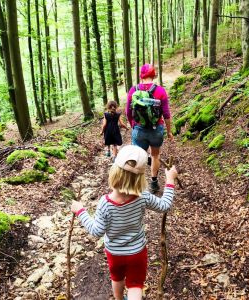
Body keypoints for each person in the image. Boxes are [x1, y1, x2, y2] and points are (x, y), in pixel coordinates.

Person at [71, 145, 178, 300]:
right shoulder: (143, 196)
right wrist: (169, 180)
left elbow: (97, 231)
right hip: (137, 252)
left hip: (114, 253)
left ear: (114, 172)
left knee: (117, 278)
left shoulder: (105, 203)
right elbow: (165, 205)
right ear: (140, 178)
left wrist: (81, 211)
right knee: (135, 285)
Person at [126, 64, 173, 193]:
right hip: (156, 129)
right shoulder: (160, 91)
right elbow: (166, 114)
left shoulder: (133, 90)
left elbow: (128, 112)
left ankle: (136, 184)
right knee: (155, 155)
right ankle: (153, 182)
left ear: (141, 76)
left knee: (137, 157)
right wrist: (169, 132)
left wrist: (133, 125)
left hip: (139, 129)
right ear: (153, 75)